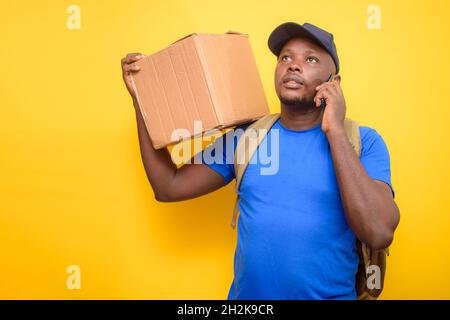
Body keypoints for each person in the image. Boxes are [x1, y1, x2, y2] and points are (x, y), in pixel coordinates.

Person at [120, 22, 400, 300]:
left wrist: (335, 131)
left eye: (311, 58)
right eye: (285, 58)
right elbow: (168, 186)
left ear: (333, 82)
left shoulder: (363, 142)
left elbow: (378, 233)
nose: (293, 65)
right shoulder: (247, 137)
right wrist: (142, 101)